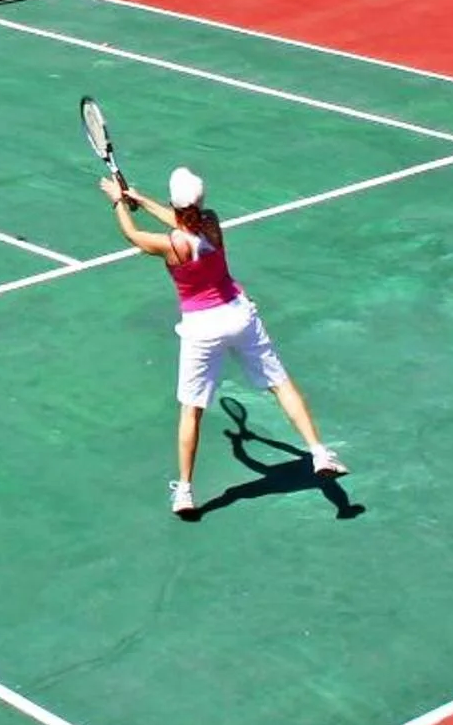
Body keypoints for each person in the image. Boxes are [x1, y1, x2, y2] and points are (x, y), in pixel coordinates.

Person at [103, 166, 344, 520]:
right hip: (239, 315)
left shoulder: (170, 246)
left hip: (202, 329)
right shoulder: (211, 224)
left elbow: (132, 234)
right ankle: (320, 453)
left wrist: (117, 203)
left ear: (175, 202)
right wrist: (138, 198)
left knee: (192, 410)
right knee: (281, 384)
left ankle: (185, 492)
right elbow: (182, 219)